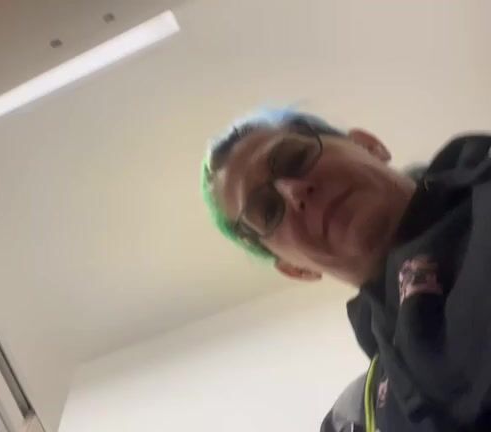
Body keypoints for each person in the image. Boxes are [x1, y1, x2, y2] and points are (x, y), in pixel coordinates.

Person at [200, 109, 491, 431]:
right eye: (267, 210)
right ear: (295, 269)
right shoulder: (354, 419)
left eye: (294, 159)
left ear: (369, 145)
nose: (294, 192)